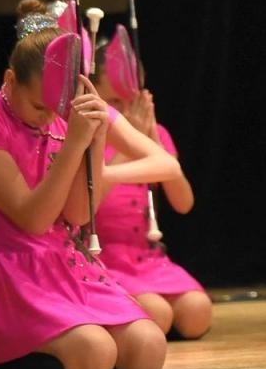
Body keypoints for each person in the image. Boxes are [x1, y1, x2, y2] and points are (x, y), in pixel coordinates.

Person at [0, 0, 173, 369]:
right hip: (17, 276)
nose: (48, 117)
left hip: (69, 266)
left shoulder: (64, 114)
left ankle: (80, 352)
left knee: (148, 349)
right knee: (95, 353)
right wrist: (74, 144)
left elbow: (77, 215)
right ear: (9, 81)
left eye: (54, 106)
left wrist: (96, 143)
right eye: (38, 106)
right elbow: (34, 220)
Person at [91, 33, 213, 338]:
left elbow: (183, 203)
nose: (123, 111)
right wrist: (127, 141)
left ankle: (140, 322)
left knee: (197, 312)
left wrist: (151, 138)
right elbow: (88, 206)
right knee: (156, 313)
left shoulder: (155, 134)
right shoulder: (89, 138)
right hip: (104, 258)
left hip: (147, 260)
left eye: (130, 101)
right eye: (113, 102)